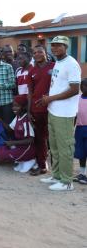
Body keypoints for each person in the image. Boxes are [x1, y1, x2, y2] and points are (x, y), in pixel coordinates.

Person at [37, 36, 81, 191]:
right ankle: (56, 176)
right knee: (54, 147)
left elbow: (74, 89)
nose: (54, 48)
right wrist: (49, 99)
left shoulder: (72, 64)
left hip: (65, 114)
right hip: (53, 110)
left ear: (66, 46)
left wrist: (51, 98)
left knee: (65, 148)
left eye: (58, 45)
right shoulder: (58, 63)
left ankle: (67, 181)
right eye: (52, 45)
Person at [0, 95, 36, 171]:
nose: (14, 108)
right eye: (13, 106)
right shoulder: (18, 117)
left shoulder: (26, 120)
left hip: (27, 148)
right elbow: (9, 128)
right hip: (18, 146)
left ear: (23, 107)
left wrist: (13, 142)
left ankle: (30, 160)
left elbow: (30, 140)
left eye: (17, 106)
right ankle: (21, 160)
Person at [27, 45, 55, 176]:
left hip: (54, 108)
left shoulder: (54, 67)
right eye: (34, 52)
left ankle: (57, 168)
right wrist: (28, 110)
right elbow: (30, 92)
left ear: (45, 53)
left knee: (54, 138)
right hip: (37, 109)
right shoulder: (31, 70)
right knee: (40, 138)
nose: (37, 54)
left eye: (40, 52)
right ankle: (42, 165)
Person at [73, 79, 87, 185]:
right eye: (82, 86)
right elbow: (74, 115)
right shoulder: (77, 99)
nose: (83, 88)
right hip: (79, 129)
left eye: (85, 86)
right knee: (81, 152)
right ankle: (82, 173)